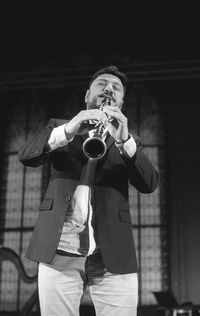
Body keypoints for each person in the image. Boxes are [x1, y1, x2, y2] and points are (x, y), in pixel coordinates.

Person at [18, 65, 159, 316]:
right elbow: (27, 156)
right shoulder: (60, 126)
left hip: (113, 252)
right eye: (102, 84)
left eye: (116, 88)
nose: (109, 89)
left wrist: (124, 142)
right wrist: (70, 130)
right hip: (58, 250)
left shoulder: (130, 140)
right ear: (87, 95)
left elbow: (149, 184)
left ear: (122, 102)